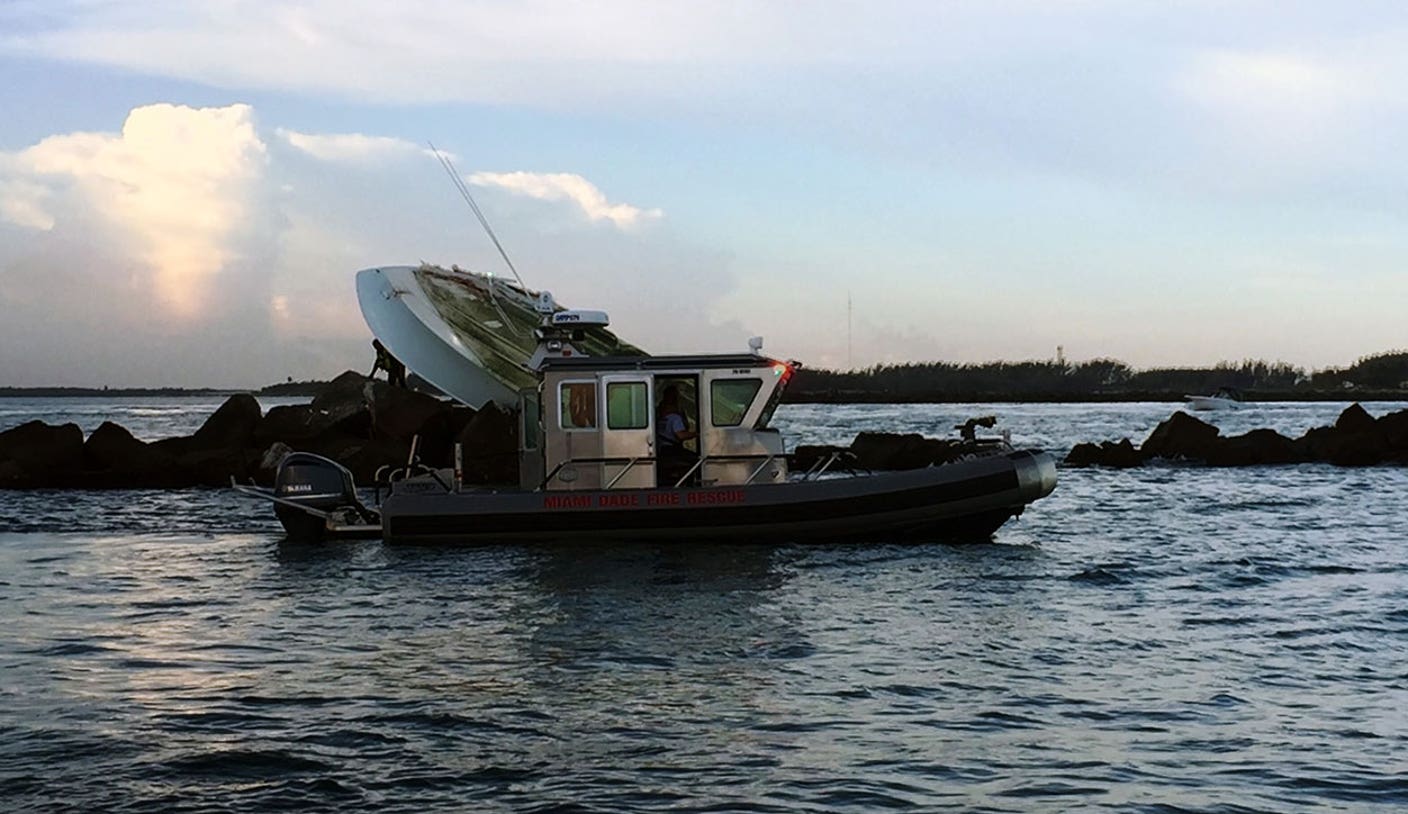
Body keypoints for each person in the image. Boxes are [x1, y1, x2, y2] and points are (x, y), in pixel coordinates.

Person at [656, 384, 697, 486]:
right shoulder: (675, 418)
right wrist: (696, 434)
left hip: (662, 450)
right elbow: (681, 435)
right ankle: (688, 485)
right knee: (696, 459)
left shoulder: (660, 417)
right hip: (672, 451)